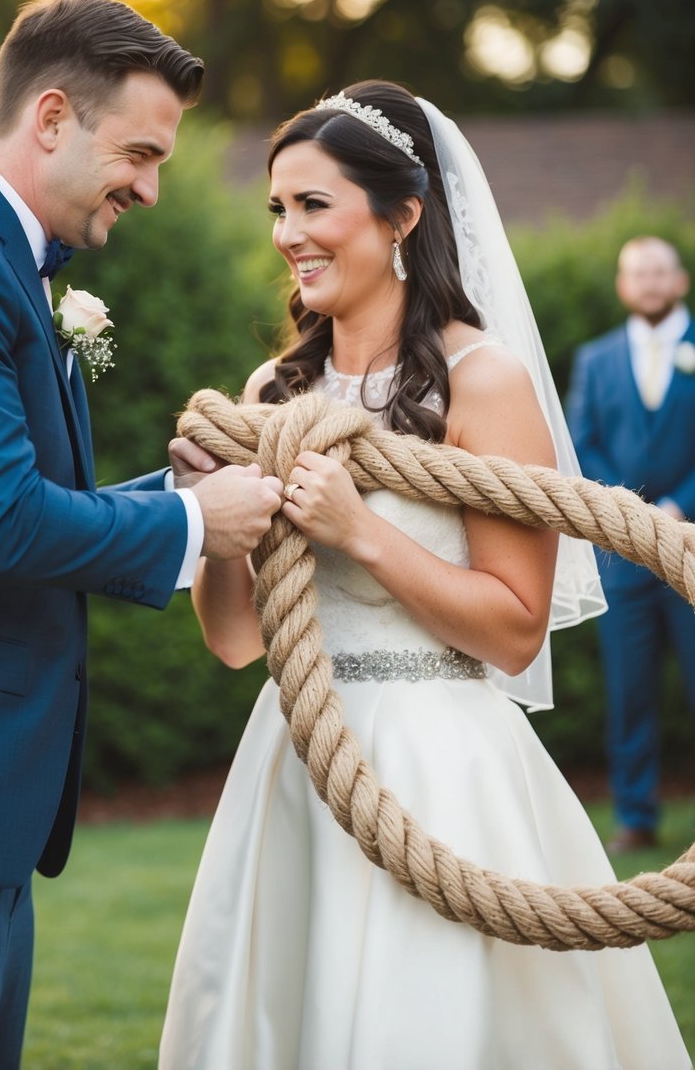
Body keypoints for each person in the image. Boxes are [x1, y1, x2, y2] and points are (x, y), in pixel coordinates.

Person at [158, 84, 690, 1069]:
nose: (288, 232)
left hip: (442, 770)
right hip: (295, 763)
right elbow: (235, 640)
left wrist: (364, 533)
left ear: (401, 215)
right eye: (277, 207)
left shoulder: (482, 382)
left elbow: (515, 627)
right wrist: (214, 517)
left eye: (314, 204)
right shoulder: (270, 395)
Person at [0, 0, 283, 1069]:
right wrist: (195, 523)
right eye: (139, 153)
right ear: (52, 117)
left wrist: (166, 488)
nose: (149, 187)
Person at [567, 236, 695, 854]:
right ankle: (636, 818)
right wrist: (629, 510)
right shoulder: (596, 359)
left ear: (680, 282)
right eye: (636, 273)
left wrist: (677, 508)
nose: (648, 282)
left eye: (659, 272)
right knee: (629, 690)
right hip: (623, 555)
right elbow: (581, 439)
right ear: (623, 285)